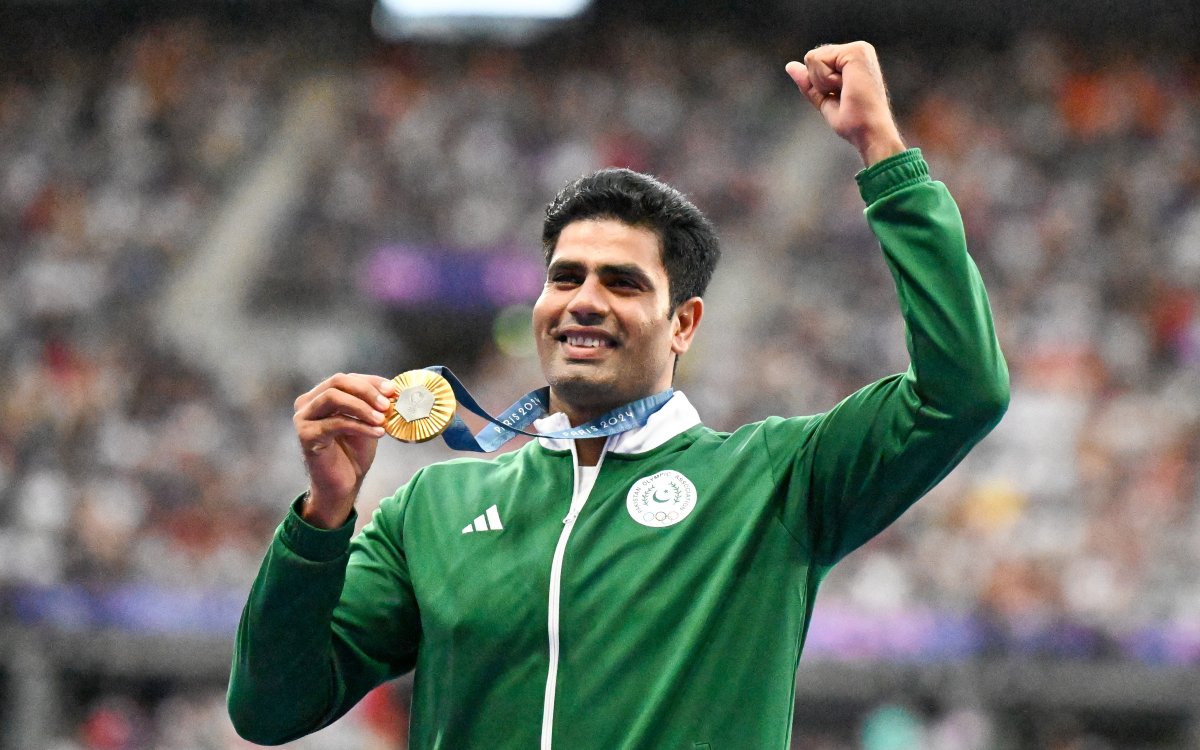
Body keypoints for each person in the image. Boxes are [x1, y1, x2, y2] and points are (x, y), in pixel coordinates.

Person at [228, 41, 1009, 749]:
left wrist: (883, 152)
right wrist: (322, 520)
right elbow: (270, 709)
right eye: (565, 278)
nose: (584, 301)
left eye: (623, 282)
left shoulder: (773, 482)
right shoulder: (429, 511)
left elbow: (962, 392)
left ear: (683, 324)